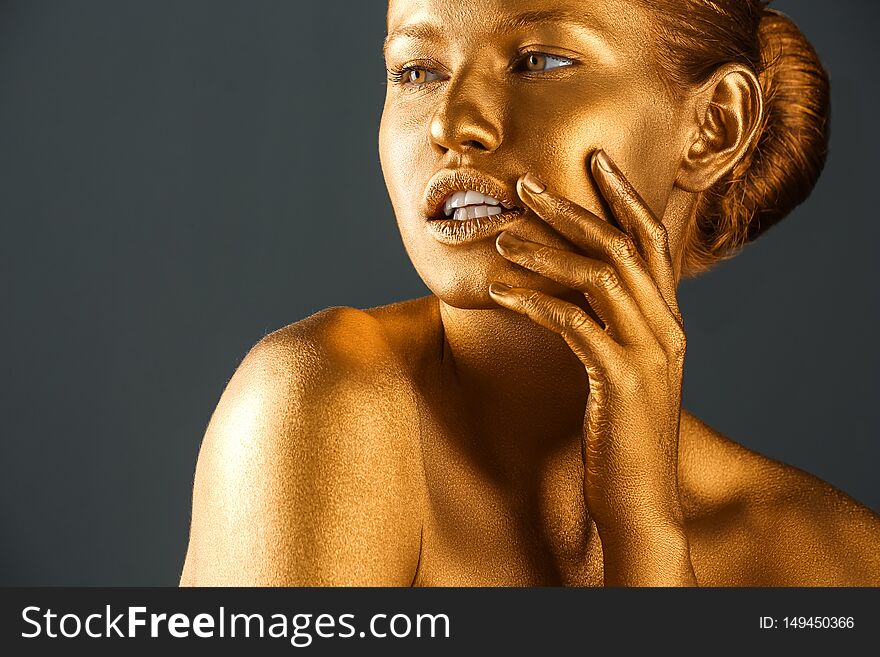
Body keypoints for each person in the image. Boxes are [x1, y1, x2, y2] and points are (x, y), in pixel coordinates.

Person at [180, 0, 880, 586]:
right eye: (417, 70)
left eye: (538, 61)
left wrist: (646, 539)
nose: (452, 124)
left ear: (712, 127)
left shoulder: (830, 562)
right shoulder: (320, 401)